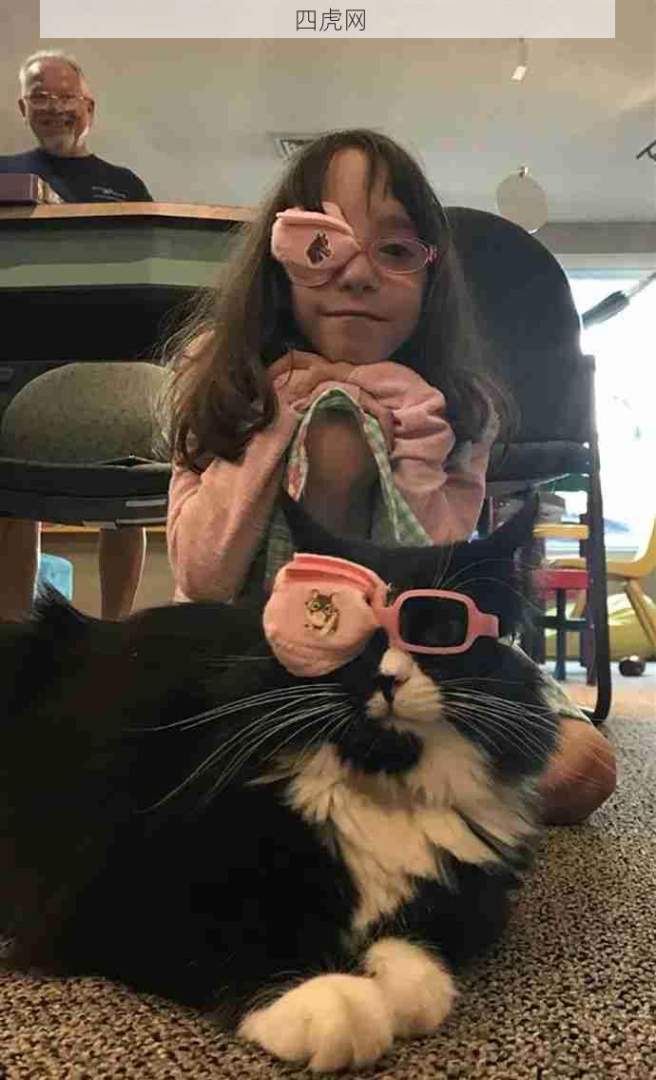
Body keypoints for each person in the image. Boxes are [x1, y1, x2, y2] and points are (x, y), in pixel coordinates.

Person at [164, 129, 616, 825]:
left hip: (424, 656)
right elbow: (203, 576)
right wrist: (281, 416)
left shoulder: (461, 406)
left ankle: (336, 777)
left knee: (585, 771)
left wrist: (409, 441)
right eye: (322, 246)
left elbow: (438, 572)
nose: (358, 275)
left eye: (396, 250)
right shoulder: (218, 372)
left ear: (431, 276)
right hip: (251, 646)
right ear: (278, 261)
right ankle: (340, 770)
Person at [0, 51, 152, 621]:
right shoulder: (3, 174)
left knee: (126, 501)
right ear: (23, 108)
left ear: (89, 107)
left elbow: (144, 275)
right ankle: (14, 635)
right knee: (13, 500)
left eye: (66, 96)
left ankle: (117, 628)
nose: (54, 107)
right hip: (17, 357)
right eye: (40, 95)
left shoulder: (125, 185)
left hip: (109, 364)